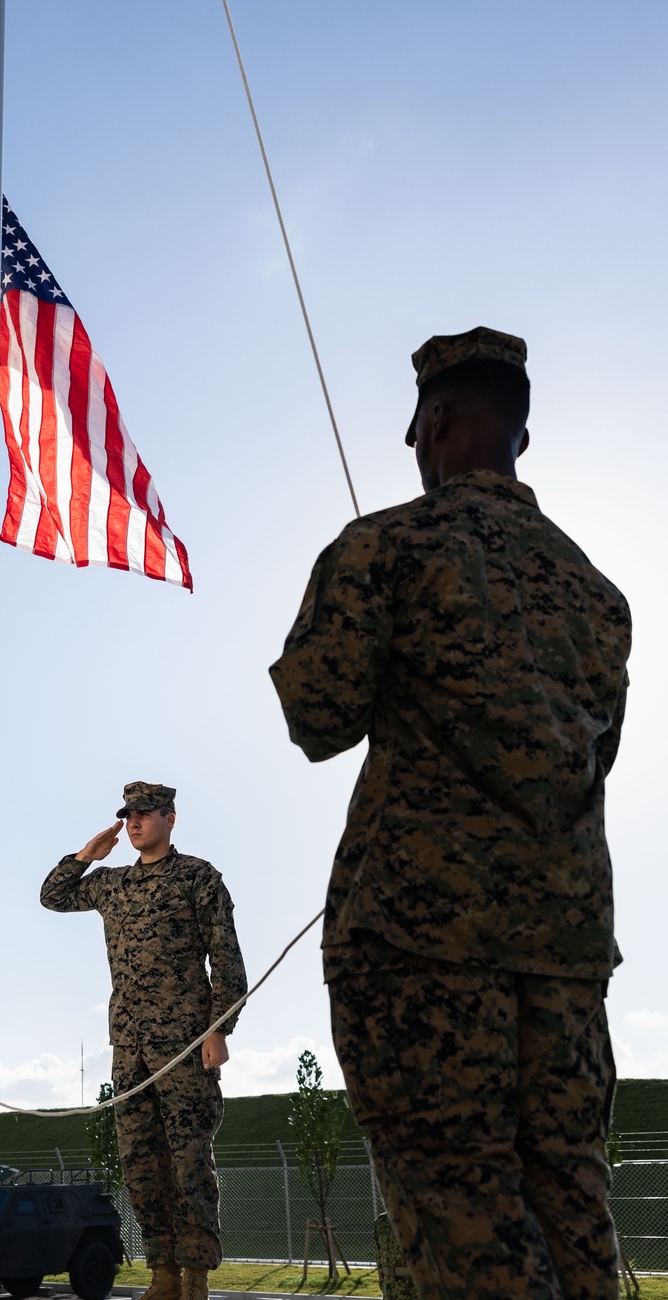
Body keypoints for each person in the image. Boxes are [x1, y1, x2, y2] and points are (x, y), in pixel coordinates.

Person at [270, 327, 631, 1300]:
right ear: (515, 432)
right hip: (564, 951)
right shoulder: (599, 597)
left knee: (458, 1213)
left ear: (434, 423)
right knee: (569, 1204)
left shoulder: (385, 548)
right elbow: (592, 757)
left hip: (422, 939)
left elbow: (318, 713)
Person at [41, 781, 248, 1300]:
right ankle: (163, 1273)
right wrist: (86, 855)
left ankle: (195, 1274)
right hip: (129, 1046)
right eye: (128, 815)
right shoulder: (112, 884)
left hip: (184, 1043)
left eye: (145, 813)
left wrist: (220, 1029)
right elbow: (52, 896)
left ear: (170, 818)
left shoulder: (197, 876)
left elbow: (225, 957)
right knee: (140, 1163)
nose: (134, 822)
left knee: (188, 1160)